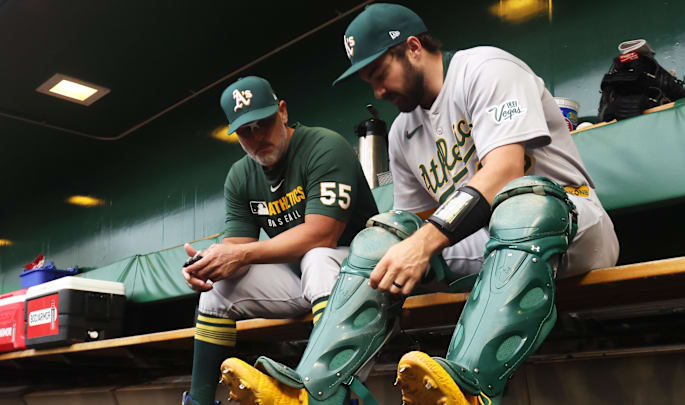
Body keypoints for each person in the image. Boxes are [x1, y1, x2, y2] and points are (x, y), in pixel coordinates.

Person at [219, 4, 619, 405]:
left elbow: (505, 171)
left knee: (522, 204)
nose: (377, 92)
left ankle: (470, 389)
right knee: (382, 239)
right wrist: (400, 247)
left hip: (571, 224)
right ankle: (311, 392)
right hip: (489, 246)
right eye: (369, 82)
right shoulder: (402, 132)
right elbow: (410, 223)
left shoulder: (485, 68)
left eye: (379, 75)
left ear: (413, 47)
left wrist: (424, 243)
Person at [180, 76, 378, 405]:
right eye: (246, 131)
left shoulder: (323, 146)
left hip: (361, 277)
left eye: (264, 123)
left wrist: (241, 254)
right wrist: (207, 265)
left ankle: (330, 393)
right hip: (299, 281)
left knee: (317, 257)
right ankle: (198, 400)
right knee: (217, 289)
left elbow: (322, 233)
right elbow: (238, 246)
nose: (257, 137)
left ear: (282, 112)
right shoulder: (241, 175)